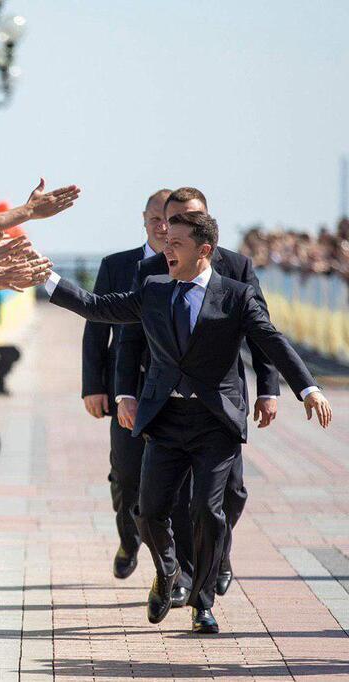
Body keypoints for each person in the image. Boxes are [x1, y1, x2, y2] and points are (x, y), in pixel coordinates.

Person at [39, 210, 332, 634]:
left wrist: (308, 389)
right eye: (165, 240)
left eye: (176, 243)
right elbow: (98, 308)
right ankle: (167, 569)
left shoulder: (235, 296)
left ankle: (203, 603)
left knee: (207, 512)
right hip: (166, 419)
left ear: (204, 250)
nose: (166, 248)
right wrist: (44, 276)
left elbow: (271, 340)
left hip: (215, 423)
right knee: (150, 510)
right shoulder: (155, 289)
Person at [115, 187, 280, 606]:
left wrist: (269, 389)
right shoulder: (154, 273)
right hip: (166, 408)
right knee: (167, 503)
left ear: (204, 227)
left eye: (186, 222)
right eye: (168, 224)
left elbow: (264, 335)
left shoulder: (237, 269)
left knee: (229, 497)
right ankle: (187, 581)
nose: (170, 239)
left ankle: (217, 556)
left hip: (220, 407)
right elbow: (129, 338)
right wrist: (123, 393)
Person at [81, 188, 171, 580]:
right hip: (125, 388)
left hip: (172, 388)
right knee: (125, 473)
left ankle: (173, 562)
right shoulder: (117, 265)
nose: (163, 228)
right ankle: (129, 538)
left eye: (171, 220)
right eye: (156, 219)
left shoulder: (195, 266)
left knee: (173, 477)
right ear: (144, 220)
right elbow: (96, 328)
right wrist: (93, 385)